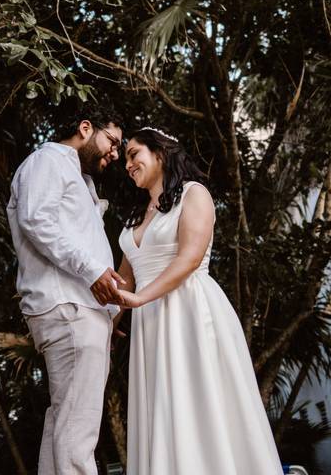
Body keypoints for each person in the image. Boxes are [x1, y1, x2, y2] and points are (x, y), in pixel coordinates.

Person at [111, 126, 282, 474]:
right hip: (150, 323)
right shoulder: (134, 218)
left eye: (134, 154)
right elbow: (122, 281)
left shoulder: (195, 194)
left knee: (200, 404)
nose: (127, 164)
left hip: (189, 311)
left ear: (160, 152)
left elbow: (189, 258)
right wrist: (104, 327)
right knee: (162, 409)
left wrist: (140, 297)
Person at [3, 104, 125, 475]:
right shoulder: (48, 161)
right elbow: (37, 220)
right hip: (69, 308)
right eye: (113, 142)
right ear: (86, 128)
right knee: (78, 428)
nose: (115, 154)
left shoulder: (78, 178)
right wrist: (92, 274)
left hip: (81, 310)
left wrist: (106, 314)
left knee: (65, 419)